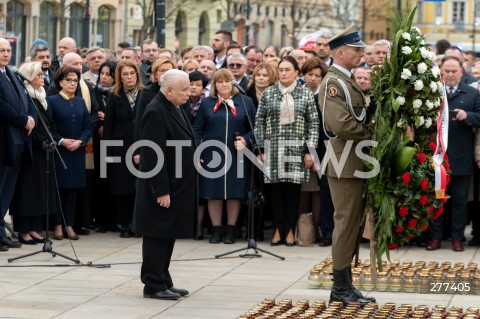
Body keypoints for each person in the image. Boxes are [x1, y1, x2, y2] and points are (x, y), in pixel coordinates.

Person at [318, 26, 375, 306]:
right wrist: (372, 135)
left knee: (352, 226)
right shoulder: (334, 82)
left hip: (354, 160)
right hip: (345, 160)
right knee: (345, 224)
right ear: (340, 52)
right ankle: (340, 288)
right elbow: (340, 123)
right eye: (356, 49)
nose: (361, 53)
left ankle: (346, 286)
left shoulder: (346, 80)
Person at [132, 69, 196, 300]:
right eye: (184, 89)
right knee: (157, 234)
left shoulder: (173, 106)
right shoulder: (155, 111)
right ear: (168, 90)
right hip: (161, 188)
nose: (189, 93)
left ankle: (163, 279)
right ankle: (153, 283)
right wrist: (161, 190)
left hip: (176, 184)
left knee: (168, 233)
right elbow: (152, 155)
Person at [254, 56, 319, 246]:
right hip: (273, 149)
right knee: (275, 191)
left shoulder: (305, 94)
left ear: (296, 73)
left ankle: (289, 229)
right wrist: (261, 149)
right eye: (281, 70)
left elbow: (313, 124)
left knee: (293, 191)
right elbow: (259, 123)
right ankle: (277, 229)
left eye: (287, 69)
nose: (283, 73)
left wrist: (310, 151)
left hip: (297, 149)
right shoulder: (269, 93)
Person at [193, 68, 257, 244]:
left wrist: (245, 140)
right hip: (212, 153)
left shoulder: (245, 102)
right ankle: (215, 230)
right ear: (214, 85)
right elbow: (197, 130)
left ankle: (230, 229)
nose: (224, 84)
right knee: (214, 192)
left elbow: (255, 128)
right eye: (219, 81)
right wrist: (197, 150)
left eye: (227, 81)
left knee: (234, 192)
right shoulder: (207, 103)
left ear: (233, 83)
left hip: (237, 154)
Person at [427, 56, 480, 252]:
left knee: (459, 201)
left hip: (461, 157)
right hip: (437, 158)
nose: (450, 74)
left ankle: (457, 238)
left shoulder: (472, 94)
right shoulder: (432, 93)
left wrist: (468, 116)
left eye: (454, 71)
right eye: (446, 71)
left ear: (461, 72)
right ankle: (435, 237)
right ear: (441, 72)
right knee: (437, 198)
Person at [9, 61, 55, 244]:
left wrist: (51, 139)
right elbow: (31, 126)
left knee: (40, 191)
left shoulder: (42, 95)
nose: (43, 78)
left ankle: (35, 228)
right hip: (31, 150)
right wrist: (40, 141)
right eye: (38, 75)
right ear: (29, 78)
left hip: (45, 150)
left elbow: (49, 122)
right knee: (26, 192)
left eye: (43, 75)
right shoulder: (26, 97)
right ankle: (23, 229)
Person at [48, 66, 92, 240]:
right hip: (60, 151)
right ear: (60, 82)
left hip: (77, 151)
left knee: (73, 190)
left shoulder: (80, 102)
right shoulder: (51, 100)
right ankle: (58, 225)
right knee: (60, 188)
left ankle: (69, 224)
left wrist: (81, 141)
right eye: (69, 80)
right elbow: (50, 127)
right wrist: (61, 141)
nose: (72, 83)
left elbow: (88, 126)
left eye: (75, 80)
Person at [0, 37, 36, 251]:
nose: (5, 54)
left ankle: (2, 232)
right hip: (4, 140)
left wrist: (31, 117)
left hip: (18, 141)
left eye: (7, 50)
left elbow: (25, 99)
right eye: (1, 50)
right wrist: (23, 120)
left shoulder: (12, 73)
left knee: (7, 190)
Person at [103, 61, 143, 238]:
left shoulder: (145, 94)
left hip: (141, 145)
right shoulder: (115, 95)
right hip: (120, 147)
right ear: (120, 77)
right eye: (125, 74)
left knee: (138, 188)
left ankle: (138, 224)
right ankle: (124, 224)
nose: (129, 77)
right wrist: (108, 154)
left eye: (132, 74)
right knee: (122, 188)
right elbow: (108, 125)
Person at [298, 57, 329, 244]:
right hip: (301, 149)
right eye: (309, 74)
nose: (313, 79)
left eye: (317, 75)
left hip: (321, 150)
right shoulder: (299, 94)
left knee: (318, 191)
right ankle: (303, 230)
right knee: (303, 191)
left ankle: (318, 228)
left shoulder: (325, 96)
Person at [92, 61, 117, 233]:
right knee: (100, 180)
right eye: (102, 73)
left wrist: (107, 118)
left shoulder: (118, 94)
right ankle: (100, 219)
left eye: (108, 74)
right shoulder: (95, 92)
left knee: (114, 180)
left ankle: (114, 218)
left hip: (115, 141)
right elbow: (92, 113)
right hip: (99, 142)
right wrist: (99, 123)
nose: (104, 77)